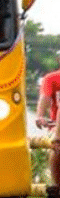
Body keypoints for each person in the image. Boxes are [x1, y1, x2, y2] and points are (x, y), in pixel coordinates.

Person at [35, 50, 60, 186]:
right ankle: (57, 187)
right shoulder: (51, 79)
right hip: (57, 127)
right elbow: (44, 97)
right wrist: (40, 116)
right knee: (56, 148)